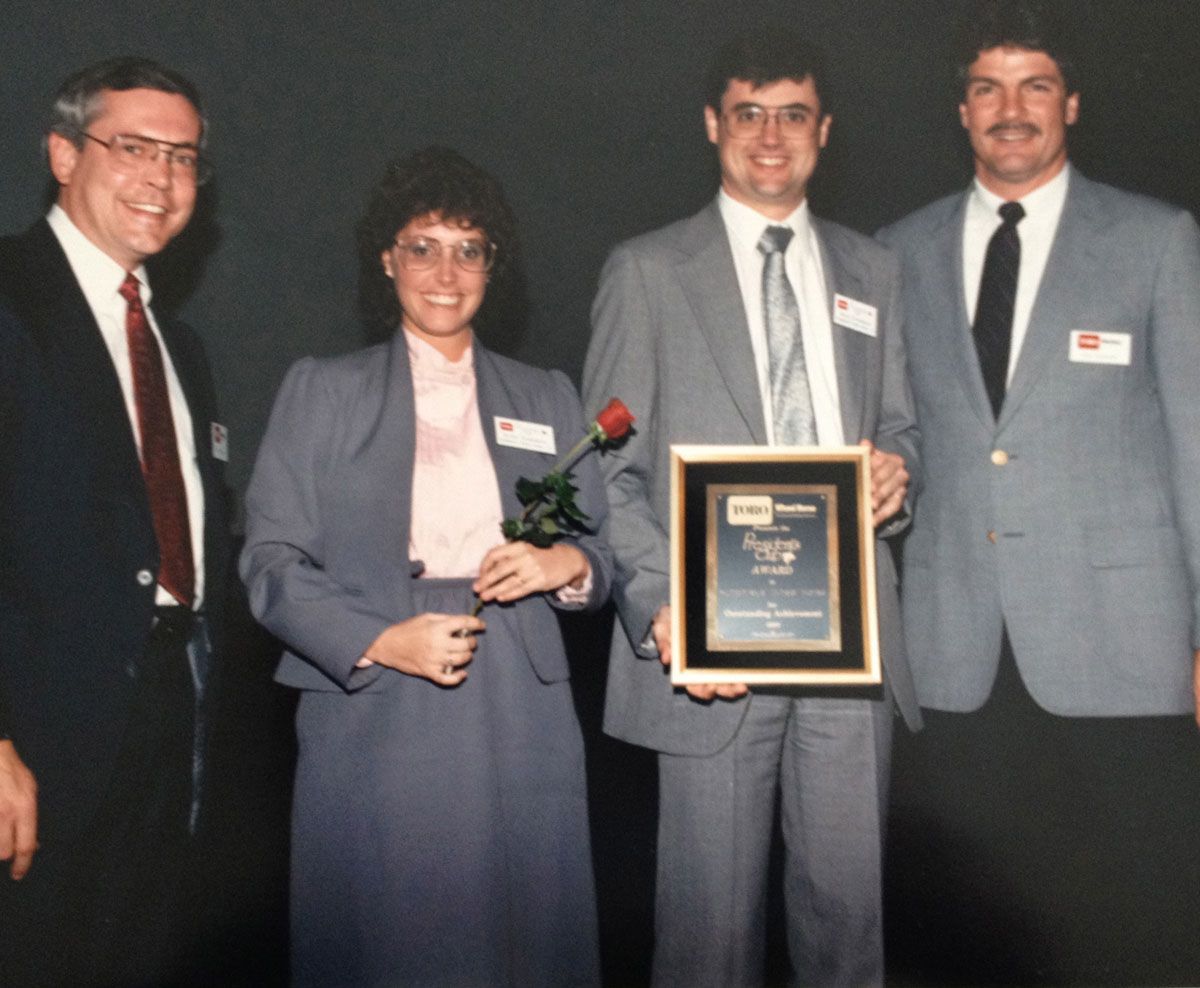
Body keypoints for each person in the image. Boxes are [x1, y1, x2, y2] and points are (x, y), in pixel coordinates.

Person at [583, 33, 920, 988]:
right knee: (707, 935)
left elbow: (903, 429)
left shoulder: (874, 271)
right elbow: (609, 470)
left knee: (849, 926)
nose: (771, 136)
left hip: (850, 648)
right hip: (711, 649)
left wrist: (897, 481)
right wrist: (660, 605)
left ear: (824, 131)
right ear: (712, 126)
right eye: (748, 113)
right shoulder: (647, 270)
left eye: (793, 114)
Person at [877, 3, 1200, 984]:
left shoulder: (1155, 238)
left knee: (1136, 924)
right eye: (988, 87)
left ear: (1072, 103)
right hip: (949, 653)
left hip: (1122, 647)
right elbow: (897, 442)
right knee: (969, 941)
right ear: (962, 109)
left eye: (1035, 85)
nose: (1011, 108)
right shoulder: (892, 251)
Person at [241, 146, 612, 988]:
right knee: (395, 940)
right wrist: (377, 640)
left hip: (519, 704)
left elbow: (603, 555)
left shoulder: (547, 395)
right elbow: (269, 560)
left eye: (469, 249)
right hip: (377, 695)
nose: (446, 271)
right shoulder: (322, 390)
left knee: (524, 939)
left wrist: (563, 564)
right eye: (423, 245)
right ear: (387, 259)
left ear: (492, 265)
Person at [0, 57, 229, 985]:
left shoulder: (182, 344)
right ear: (63, 152)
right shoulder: (9, 293)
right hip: (32, 742)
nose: (162, 179)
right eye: (134, 148)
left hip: (167, 729)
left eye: (183, 158)